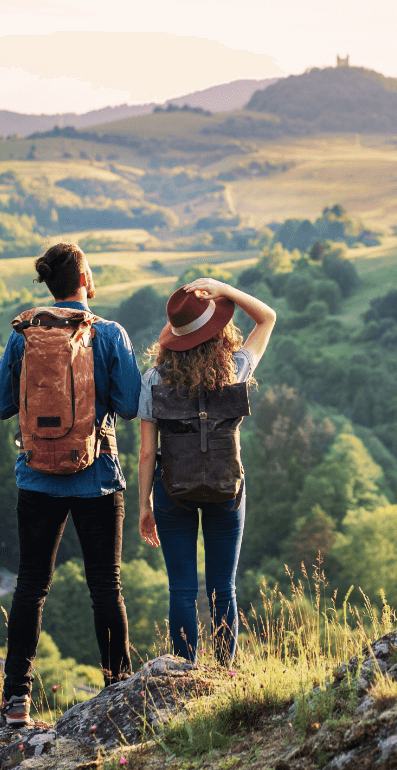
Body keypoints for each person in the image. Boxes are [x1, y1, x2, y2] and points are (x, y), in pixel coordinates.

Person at [0, 243, 141, 726]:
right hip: (96, 476)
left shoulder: (23, 336)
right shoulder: (109, 334)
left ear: (49, 283)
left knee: (31, 586)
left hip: (36, 477)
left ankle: (16, 701)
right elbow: (133, 403)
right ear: (85, 277)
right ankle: (117, 689)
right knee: (105, 586)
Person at [137, 276, 276, 665]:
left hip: (171, 490)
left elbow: (147, 454)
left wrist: (144, 506)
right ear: (217, 333)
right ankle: (225, 671)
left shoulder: (154, 380)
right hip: (226, 488)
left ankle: (184, 672)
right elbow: (267, 318)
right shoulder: (235, 368)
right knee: (223, 588)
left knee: (181, 590)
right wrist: (225, 290)